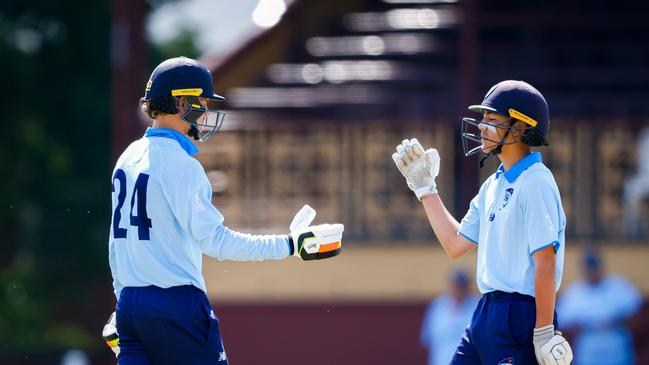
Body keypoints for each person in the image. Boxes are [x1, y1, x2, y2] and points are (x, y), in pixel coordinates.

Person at [106, 56, 344, 365]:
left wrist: (123, 303)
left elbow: (117, 246)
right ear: (182, 103)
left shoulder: (128, 156)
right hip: (176, 304)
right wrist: (291, 244)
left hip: (130, 305)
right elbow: (216, 242)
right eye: (202, 102)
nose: (206, 112)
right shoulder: (182, 165)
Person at [392, 80, 573, 364]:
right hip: (485, 311)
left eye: (491, 119)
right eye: (483, 119)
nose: (481, 126)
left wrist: (544, 331)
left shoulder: (536, 181)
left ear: (520, 127)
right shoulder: (492, 185)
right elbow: (455, 244)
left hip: (520, 314)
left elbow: (546, 263)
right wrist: (425, 188)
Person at [557, 248, 642, 365]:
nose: (592, 272)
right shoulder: (573, 293)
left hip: (618, 355)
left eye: (595, 267)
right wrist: (582, 326)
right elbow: (563, 323)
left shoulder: (619, 286)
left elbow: (638, 313)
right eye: (589, 268)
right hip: (587, 357)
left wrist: (618, 321)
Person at [420, 270, 479, 365]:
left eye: (462, 285)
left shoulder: (477, 307)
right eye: (456, 285)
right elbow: (427, 339)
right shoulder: (437, 306)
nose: (459, 289)